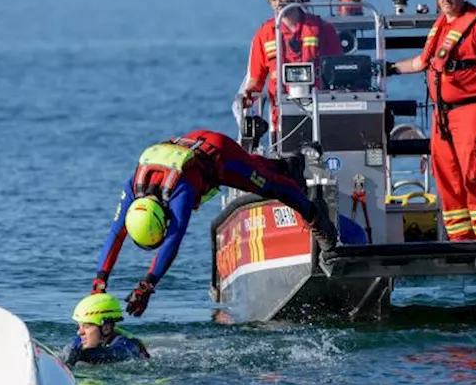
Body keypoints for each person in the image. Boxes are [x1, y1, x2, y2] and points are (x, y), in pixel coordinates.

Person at [90, 129, 339, 316]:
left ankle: (315, 214)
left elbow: (173, 241)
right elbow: (115, 234)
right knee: (258, 167)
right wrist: (99, 282)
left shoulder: (180, 191)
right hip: (194, 142)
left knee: (270, 186)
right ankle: (288, 165)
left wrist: (147, 286)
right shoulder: (134, 187)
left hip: (219, 156)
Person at [386, 0, 476, 241]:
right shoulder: (441, 26)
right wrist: (390, 68)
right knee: (448, 180)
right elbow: (421, 63)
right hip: (442, 117)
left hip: (472, 111)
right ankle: (459, 240)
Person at [235, 0, 344, 128]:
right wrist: (248, 95)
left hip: (321, 111)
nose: (278, 3)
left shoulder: (321, 29)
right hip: (279, 117)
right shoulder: (264, 35)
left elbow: (340, 72)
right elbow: (256, 80)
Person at [63, 293, 150, 366]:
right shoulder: (82, 340)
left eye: (86, 326)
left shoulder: (128, 346)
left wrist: (83, 355)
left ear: (106, 328)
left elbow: (114, 355)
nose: (79, 332)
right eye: (79, 326)